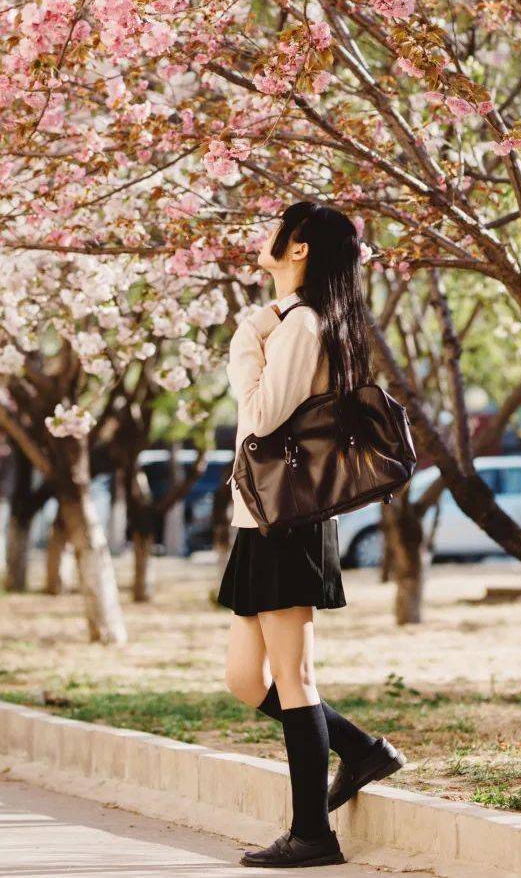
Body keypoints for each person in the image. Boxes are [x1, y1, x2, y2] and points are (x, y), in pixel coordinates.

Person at [219, 200, 405, 869]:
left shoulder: (299, 325)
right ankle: (359, 749)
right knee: (246, 679)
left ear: (297, 250)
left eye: (275, 229)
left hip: (287, 521)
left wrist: (248, 340)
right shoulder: (294, 321)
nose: (261, 236)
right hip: (262, 519)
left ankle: (312, 836)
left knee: (294, 678)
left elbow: (264, 419)